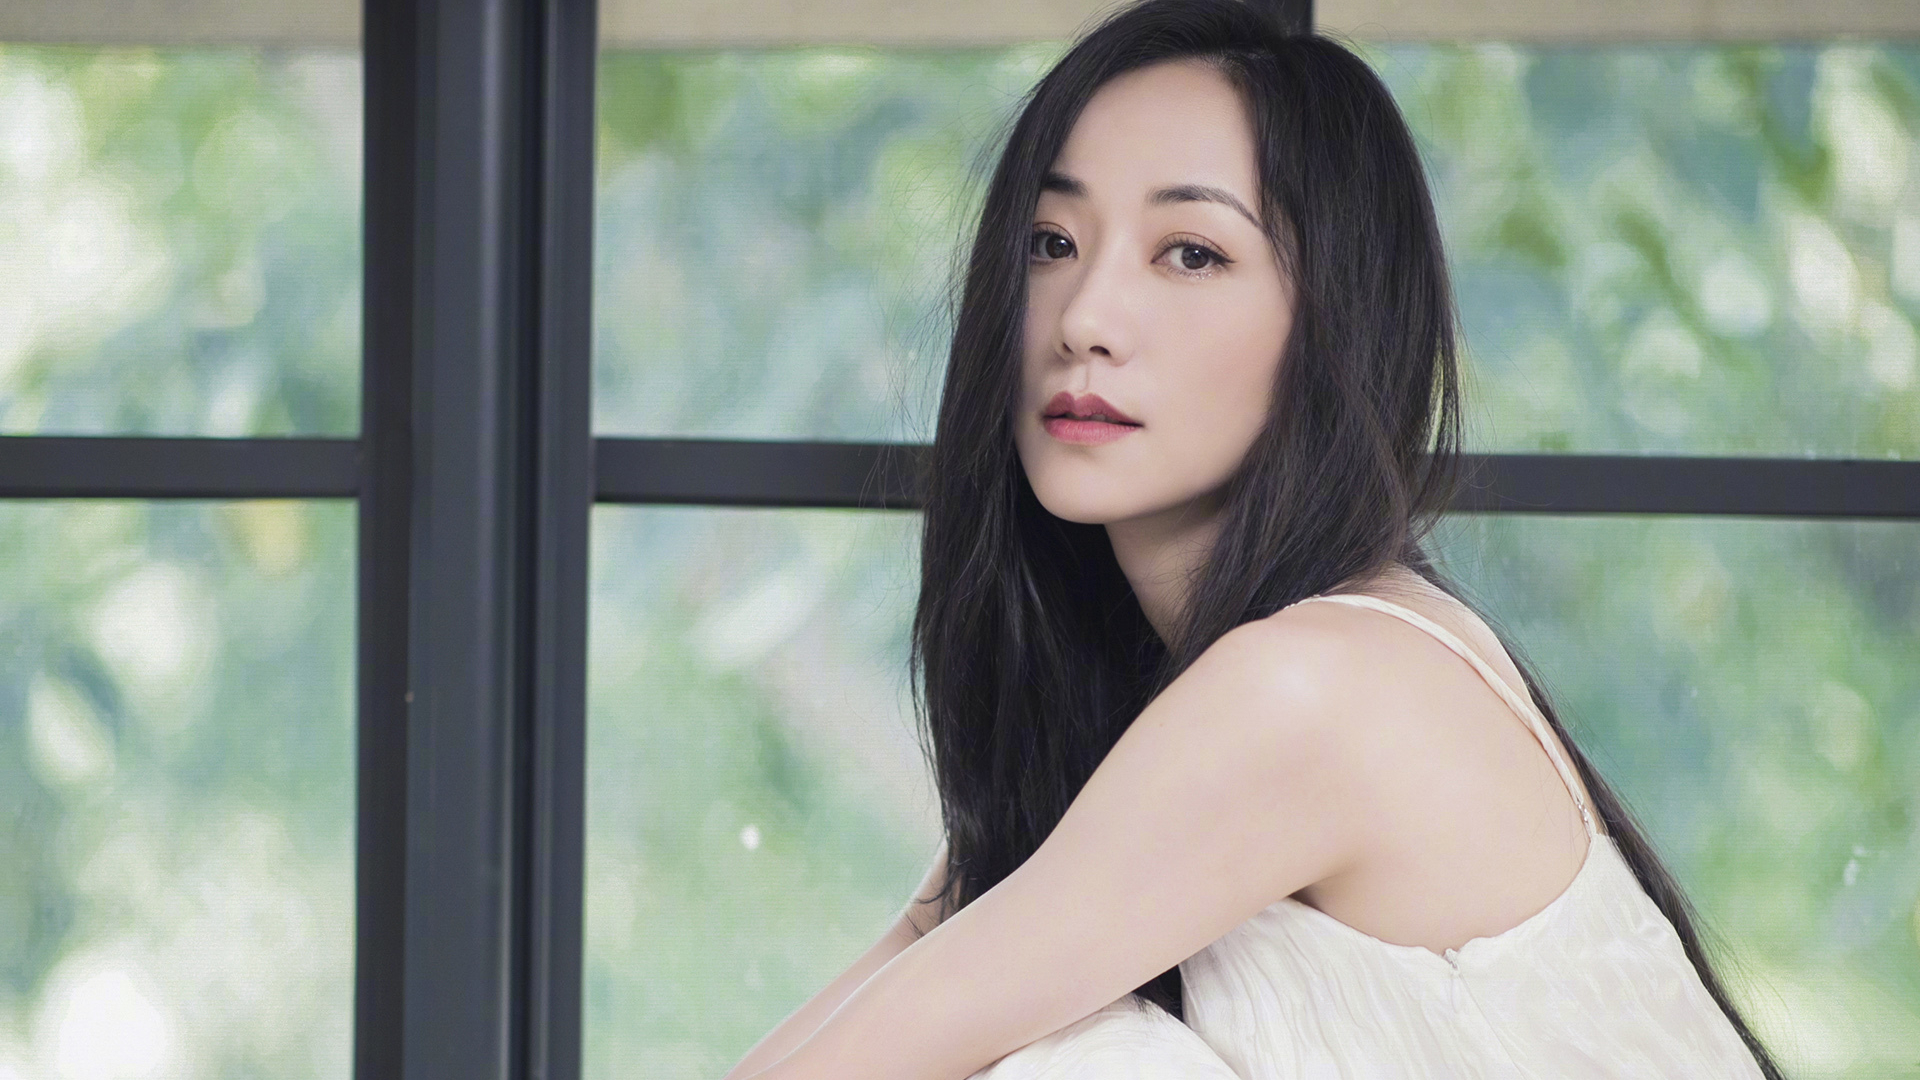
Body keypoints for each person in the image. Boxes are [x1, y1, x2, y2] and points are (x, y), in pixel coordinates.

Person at [725, 1, 1782, 1076]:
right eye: (1052, 243)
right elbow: (893, 984)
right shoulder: (1156, 702)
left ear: (1332, 320)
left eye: (1190, 253)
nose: (1085, 318)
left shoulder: (1312, 686)